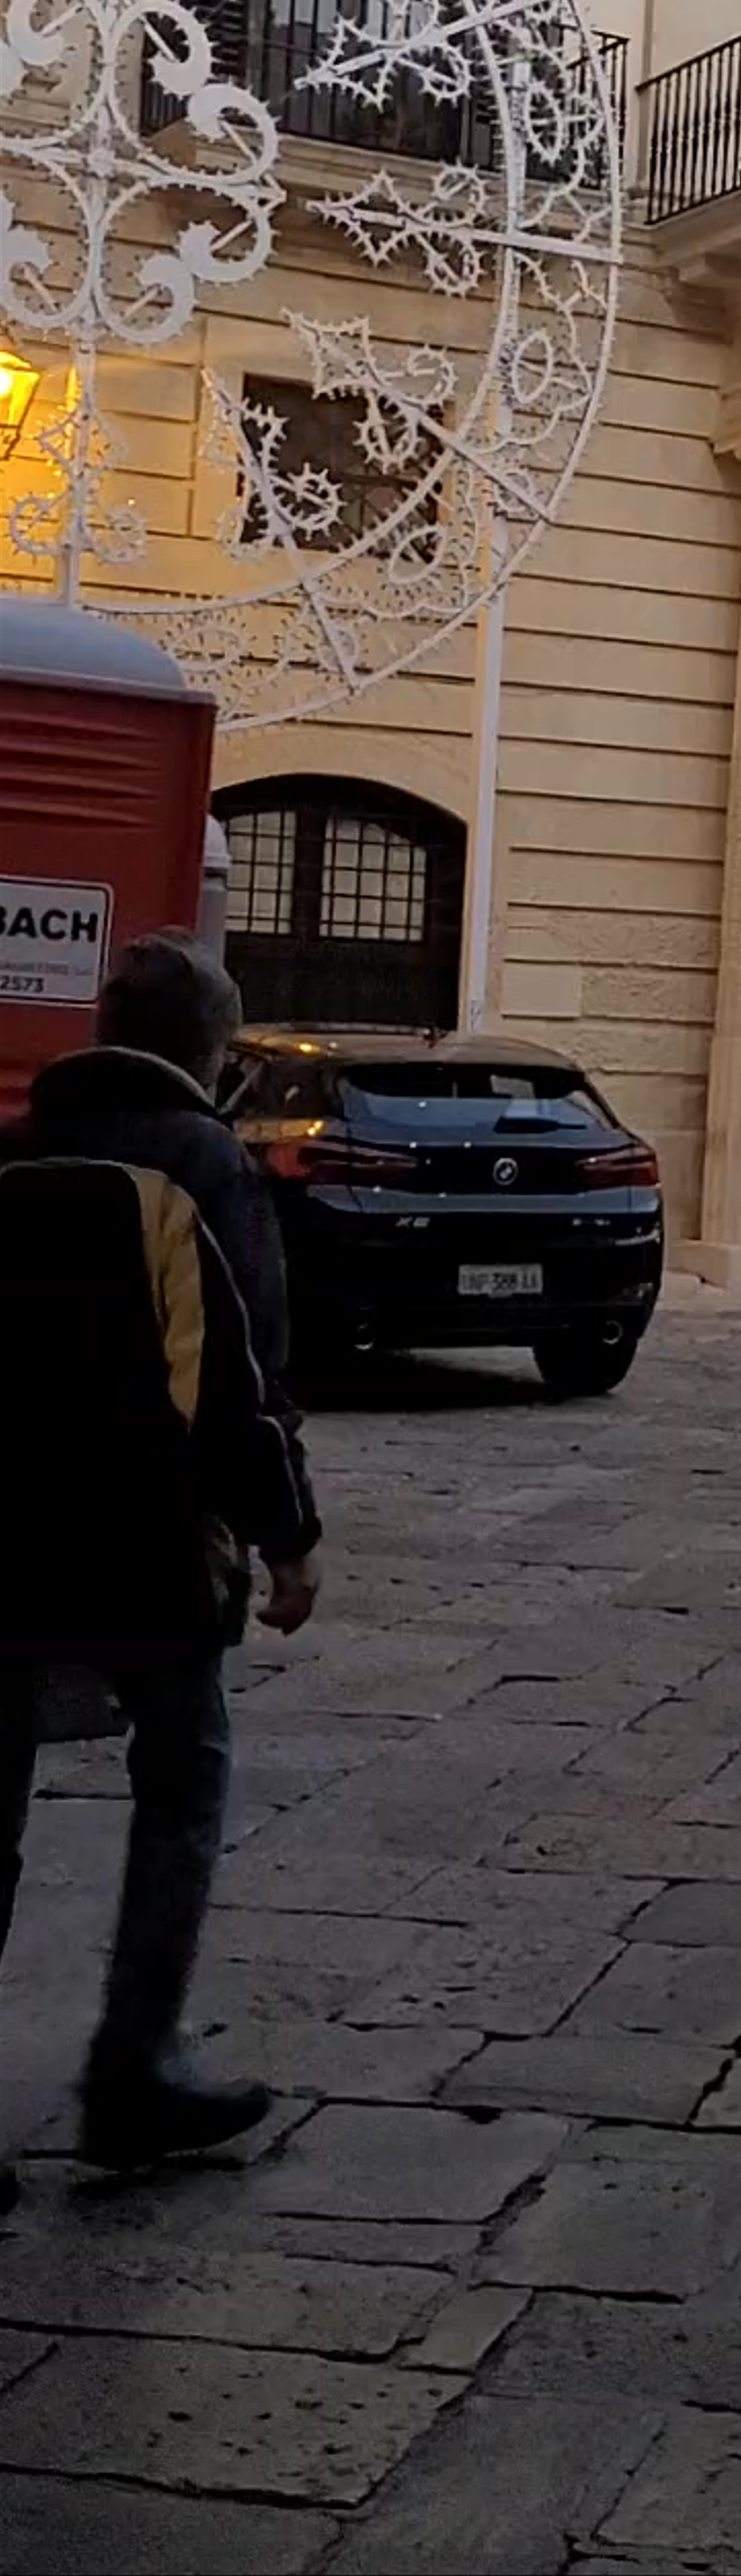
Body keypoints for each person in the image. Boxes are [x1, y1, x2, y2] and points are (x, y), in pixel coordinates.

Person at [0, 930, 321, 2199]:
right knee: (183, 1773)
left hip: (2, 1534)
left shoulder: (15, 1154)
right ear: (210, 1044)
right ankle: (135, 2067)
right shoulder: (199, 1166)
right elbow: (239, 1384)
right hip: (146, 1542)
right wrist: (290, 1535)